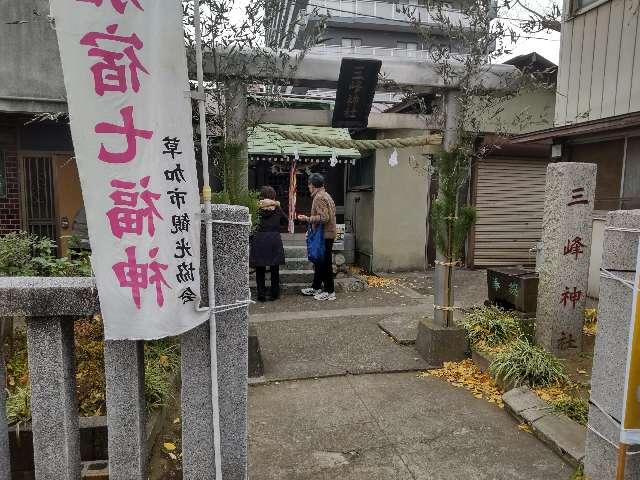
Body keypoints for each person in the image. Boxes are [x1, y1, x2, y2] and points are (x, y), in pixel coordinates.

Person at [297, 173, 337, 301]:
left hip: (324, 235)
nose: (308, 187)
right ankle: (316, 287)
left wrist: (308, 219)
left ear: (312, 185)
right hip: (327, 234)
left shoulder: (319, 197)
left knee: (325, 263)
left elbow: (325, 218)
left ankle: (330, 291)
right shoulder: (326, 195)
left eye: (309, 185)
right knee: (320, 262)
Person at [250, 186, 288, 302]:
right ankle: (274, 294)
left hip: (259, 239)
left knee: (260, 269)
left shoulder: (255, 208)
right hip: (274, 239)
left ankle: (261, 294)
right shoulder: (277, 208)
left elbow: (251, 224)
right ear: (273, 197)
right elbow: (286, 221)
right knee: (274, 268)